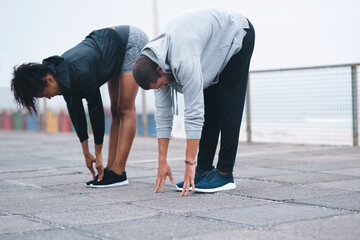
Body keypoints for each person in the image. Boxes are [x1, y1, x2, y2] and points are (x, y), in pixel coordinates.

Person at [132, 8, 255, 196]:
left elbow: (194, 112)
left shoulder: (183, 59)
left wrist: (189, 163)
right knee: (211, 106)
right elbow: (163, 115)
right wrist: (162, 161)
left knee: (229, 105)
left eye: (160, 84)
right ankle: (204, 170)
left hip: (236, 34)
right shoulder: (151, 63)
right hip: (210, 49)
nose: (163, 88)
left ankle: (224, 174)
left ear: (159, 69)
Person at [11, 26, 149, 188]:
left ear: (48, 80)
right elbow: (76, 111)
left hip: (130, 42)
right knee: (114, 110)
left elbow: (95, 108)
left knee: (124, 108)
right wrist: (86, 153)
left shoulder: (79, 70)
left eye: (45, 94)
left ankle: (119, 172)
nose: (48, 97)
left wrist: (97, 153)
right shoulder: (61, 74)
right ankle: (111, 169)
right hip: (110, 47)